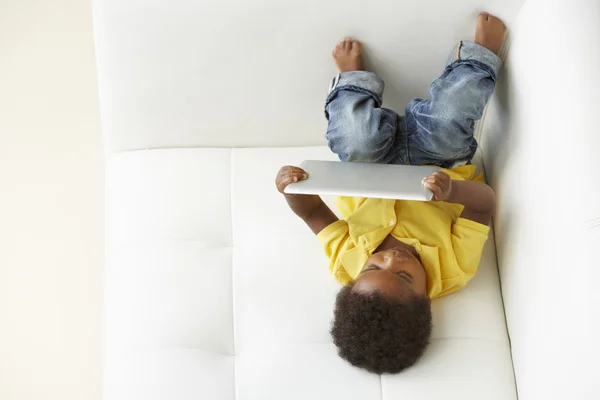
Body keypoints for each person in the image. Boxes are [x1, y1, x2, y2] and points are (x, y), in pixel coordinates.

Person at [275, 12, 506, 374]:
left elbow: (313, 215)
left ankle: (354, 78)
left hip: (370, 167)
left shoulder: (345, 265)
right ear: (425, 301)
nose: (392, 259)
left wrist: (290, 187)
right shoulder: (454, 270)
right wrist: (451, 191)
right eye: (403, 276)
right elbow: (485, 206)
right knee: (447, 118)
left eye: (373, 266)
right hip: (440, 164)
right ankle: (480, 55)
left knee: (354, 135)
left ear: (355, 278)